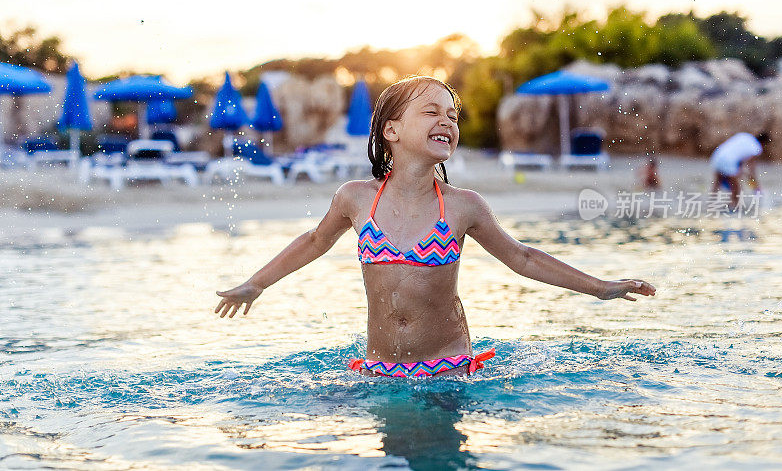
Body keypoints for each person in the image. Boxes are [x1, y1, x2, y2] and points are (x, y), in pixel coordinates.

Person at [214, 76, 656, 378]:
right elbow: (313, 242)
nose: (447, 121)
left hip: (448, 371)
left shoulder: (464, 207)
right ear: (392, 130)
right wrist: (256, 284)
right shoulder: (355, 199)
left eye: (453, 116)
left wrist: (599, 287)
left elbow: (522, 258)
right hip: (379, 371)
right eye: (431, 112)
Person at [710, 132, 770, 209]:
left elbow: (738, 155)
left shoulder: (744, 136)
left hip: (717, 155)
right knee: (735, 187)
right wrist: (756, 186)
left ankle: (711, 203)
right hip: (728, 160)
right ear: (764, 143)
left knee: (717, 182)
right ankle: (735, 207)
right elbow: (751, 169)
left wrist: (740, 172)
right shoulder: (756, 147)